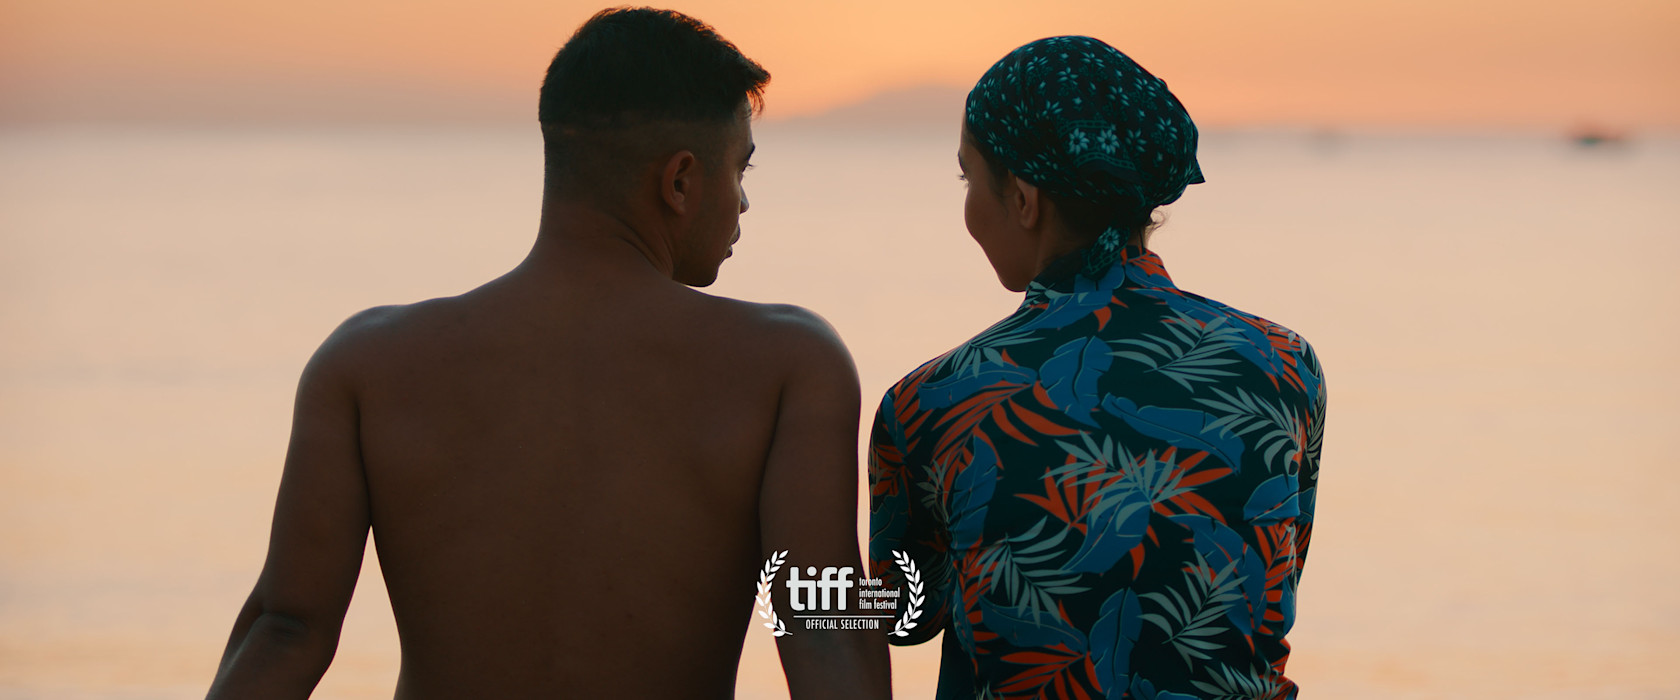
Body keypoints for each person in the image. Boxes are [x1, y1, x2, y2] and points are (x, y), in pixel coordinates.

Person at [206, 8, 890, 699]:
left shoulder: (365, 364)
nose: (743, 203)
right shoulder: (787, 366)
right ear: (680, 181)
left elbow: (286, 629)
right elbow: (824, 628)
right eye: (740, 169)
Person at [868, 36, 1326, 699]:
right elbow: (1264, 587)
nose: (967, 207)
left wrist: (789, 573)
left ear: (1024, 199)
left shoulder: (934, 403)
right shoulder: (1284, 366)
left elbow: (902, 616)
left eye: (969, 179)